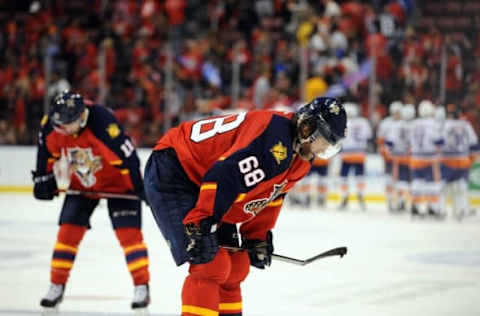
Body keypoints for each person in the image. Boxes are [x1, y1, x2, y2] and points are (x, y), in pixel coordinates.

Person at [144, 97, 347, 316]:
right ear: (308, 127)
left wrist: (256, 236)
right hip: (176, 168)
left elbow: (272, 195)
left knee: (236, 266)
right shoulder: (273, 142)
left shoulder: (299, 159)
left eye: (330, 145)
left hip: (208, 180)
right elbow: (223, 176)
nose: (324, 148)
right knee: (210, 264)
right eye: (325, 140)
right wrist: (202, 222)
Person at [32, 91, 151, 312]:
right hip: (82, 185)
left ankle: (141, 286)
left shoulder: (103, 124)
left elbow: (129, 159)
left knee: (130, 238)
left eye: (68, 124)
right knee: (66, 234)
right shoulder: (53, 122)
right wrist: (42, 175)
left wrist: (139, 187)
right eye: (60, 124)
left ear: (81, 117)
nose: (62, 129)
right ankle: (56, 285)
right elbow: (45, 150)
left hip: (119, 186)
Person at [441, 104, 479, 220]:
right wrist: (470, 160)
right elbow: (474, 144)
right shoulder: (466, 125)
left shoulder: (444, 125)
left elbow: (438, 143)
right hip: (462, 160)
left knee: (442, 187)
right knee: (461, 187)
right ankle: (462, 209)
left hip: (447, 161)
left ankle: (441, 209)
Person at [408, 100, 444, 218]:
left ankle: (414, 207)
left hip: (416, 157)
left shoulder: (413, 123)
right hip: (430, 158)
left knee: (416, 183)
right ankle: (432, 208)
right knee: (432, 184)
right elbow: (439, 141)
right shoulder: (433, 123)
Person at [337, 102, 372, 210]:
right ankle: (361, 195)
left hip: (346, 154)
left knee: (343, 178)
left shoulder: (343, 122)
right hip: (359, 154)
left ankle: (344, 197)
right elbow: (369, 136)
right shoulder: (364, 122)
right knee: (360, 177)